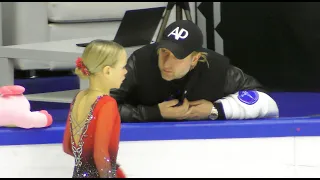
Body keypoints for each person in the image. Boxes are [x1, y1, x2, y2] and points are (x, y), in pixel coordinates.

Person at [110, 20, 279, 123]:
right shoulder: (139, 62)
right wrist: (154, 113)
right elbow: (99, 108)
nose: (166, 63)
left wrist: (215, 110)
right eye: (164, 52)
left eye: (177, 56)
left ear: (195, 59)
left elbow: (266, 102)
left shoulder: (216, 69)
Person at [62, 40, 127, 178]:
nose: (125, 72)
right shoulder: (107, 103)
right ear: (108, 71)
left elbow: (67, 147)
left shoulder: (78, 97)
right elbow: (100, 154)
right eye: (123, 67)